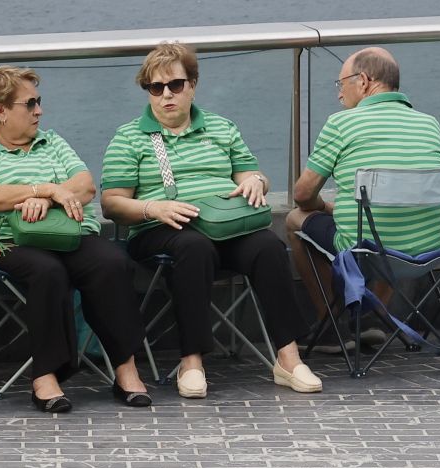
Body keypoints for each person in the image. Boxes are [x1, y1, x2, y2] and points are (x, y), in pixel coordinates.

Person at [100, 44, 323, 398]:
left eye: (175, 85)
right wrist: (153, 209)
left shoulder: (221, 127)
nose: (166, 95)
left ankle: (288, 357)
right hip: (162, 228)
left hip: (223, 222)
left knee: (268, 246)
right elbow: (112, 203)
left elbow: (252, 174)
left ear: (193, 84)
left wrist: (256, 181)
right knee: (193, 246)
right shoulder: (130, 137)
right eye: (156, 88)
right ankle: (191, 361)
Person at [0, 68, 153, 412]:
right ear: (0, 111)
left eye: (38, 102)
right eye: (30, 104)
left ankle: (125, 367)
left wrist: (46, 201)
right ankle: (45, 374)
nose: (39, 111)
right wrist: (42, 188)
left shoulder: (51, 141)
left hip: (62, 233)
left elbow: (85, 185)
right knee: (46, 270)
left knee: (110, 262)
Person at [286, 47, 440, 352]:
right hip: (430, 252)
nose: (339, 95)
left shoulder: (341, 123)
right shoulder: (429, 123)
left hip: (366, 252)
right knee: (392, 217)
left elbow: (302, 195)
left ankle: (333, 326)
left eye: (340, 84)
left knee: (295, 221)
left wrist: (323, 208)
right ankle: (372, 317)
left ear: (363, 81)